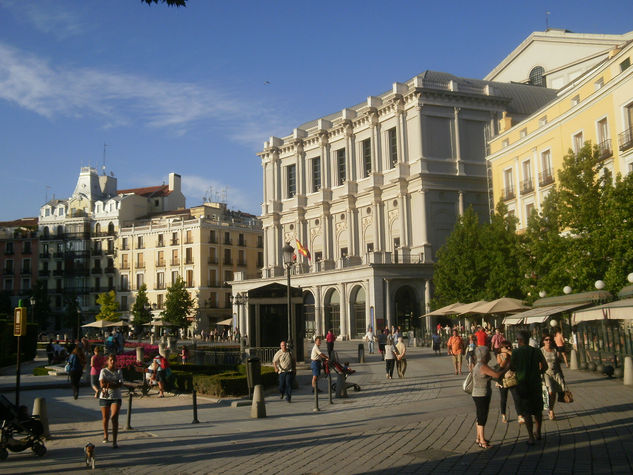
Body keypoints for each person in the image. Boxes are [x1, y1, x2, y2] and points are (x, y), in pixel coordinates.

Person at [512, 330, 548, 445]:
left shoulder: (516, 352)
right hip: (536, 383)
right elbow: (545, 366)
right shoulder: (536, 351)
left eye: (517, 339)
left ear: (521, 340)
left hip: (522, 384)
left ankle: (530, 436)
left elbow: (512, 367)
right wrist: (538, 372)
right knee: (537, 409)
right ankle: (539, 432)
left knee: (527, 411)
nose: (517, 341)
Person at [472, 346, 506, 449]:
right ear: (484, 355)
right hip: (482, 394)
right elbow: (496, 375)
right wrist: (507, 367)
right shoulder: (482, 366)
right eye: (488, 354)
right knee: (482, 416)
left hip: (478, 393)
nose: (489, 356)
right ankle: (482, 440)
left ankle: (478, 438)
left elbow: (494, 370)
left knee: (480, 415)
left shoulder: (479, 365)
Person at [99, 354, 123, 448]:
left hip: (116, 397)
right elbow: (102, 384)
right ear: (107, 361)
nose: (113, 362)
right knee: (105, 418)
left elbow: (120, 384)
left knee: (114, 418)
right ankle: (106, 435)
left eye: (114, 360)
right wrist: (113, 383)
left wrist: (108, 384)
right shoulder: (103, 371)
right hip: (105, 397)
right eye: (111, 360)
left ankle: (114, 441)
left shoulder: (118, 371)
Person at [541, 335, 566, 420]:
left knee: (554, 393)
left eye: (550, 339)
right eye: (546, 340)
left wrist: (562, 375)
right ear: (543, 341)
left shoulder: (555, 350)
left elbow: (558, 364)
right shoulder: (541, 351)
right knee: (550, 391)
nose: (548, 341)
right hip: (546, 373)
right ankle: (549, 410)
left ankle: (551, 409)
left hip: (556, 373)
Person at [496, 340, 520, 423]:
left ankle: (520, 415)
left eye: (509, 346)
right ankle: (503, 415)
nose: (508, 348)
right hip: (503, 380)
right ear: (501, 348)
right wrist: (506, 357)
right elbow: (501, 365)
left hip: (512, 378)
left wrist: (509, 352)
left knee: (516, 397)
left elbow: (517, 358)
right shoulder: (499, 355)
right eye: (506, 347)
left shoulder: (512, 354)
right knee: (503, 398)